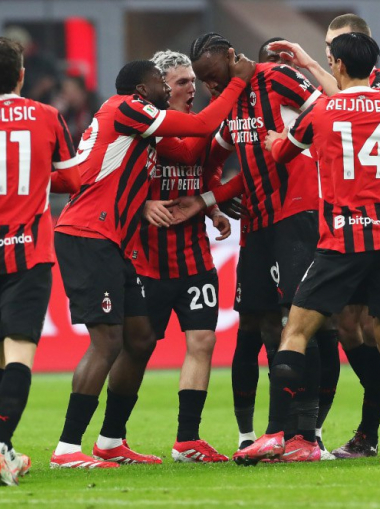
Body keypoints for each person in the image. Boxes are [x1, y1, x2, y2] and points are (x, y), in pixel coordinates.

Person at [220, 32, 380, 465]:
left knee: (295, 332)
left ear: (338, 65)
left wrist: (273, 138)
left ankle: (276, 435)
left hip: (342, 240)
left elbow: (282, 153)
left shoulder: (322, 111)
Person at [48, 53, 254, 469]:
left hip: (112, 240)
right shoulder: (129, 108)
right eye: (164, 82)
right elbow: (199, 128)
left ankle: (110, 441)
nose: (169, 88)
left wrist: (208, 201)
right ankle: (67, 448)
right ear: (143, 90)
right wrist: (237, 84)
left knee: (139, 338)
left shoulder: (130, 121)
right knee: (107, 342)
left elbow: (93, 171)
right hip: (90, 235)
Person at [268, 15, 380, 461]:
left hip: (352, 232)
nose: (327, 55)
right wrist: (310, 64)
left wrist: (279, 138)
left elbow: (341, 105)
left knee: (371, 333)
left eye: (332, 50)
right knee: (353, 329)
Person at [179, 32, 324, 460]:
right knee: (259, 326)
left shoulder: (277, 77)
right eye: (204, 80)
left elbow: (324, 112)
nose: (211, 86)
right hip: (257, 222)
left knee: (298, 320)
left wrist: (290, 144)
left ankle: (305, 436)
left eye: (213, 75)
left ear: (231, 55)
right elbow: (214, 155)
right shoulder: (230, 100)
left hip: (296, 213)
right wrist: (210, 198)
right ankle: (260, 436)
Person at [0, 37, 80, 485]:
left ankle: (2, 449)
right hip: (29, 250)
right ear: (22, 75)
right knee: (20, 351)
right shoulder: (47, 116)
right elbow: (71, 178)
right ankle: (1, 446)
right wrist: (35, 177)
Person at [128, 49, 232, 463]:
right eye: (182, 82)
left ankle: (187, 439)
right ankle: (111, 436)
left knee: (203, 340)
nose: (192, 89)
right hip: (147, 260)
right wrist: (140, 206)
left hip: (194, 258)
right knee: (137, 349)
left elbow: (201, 173)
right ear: (161, 87)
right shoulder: (144, 127)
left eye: (193, 81)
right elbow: (111, 180)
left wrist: (212, 207)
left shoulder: (200, 128)